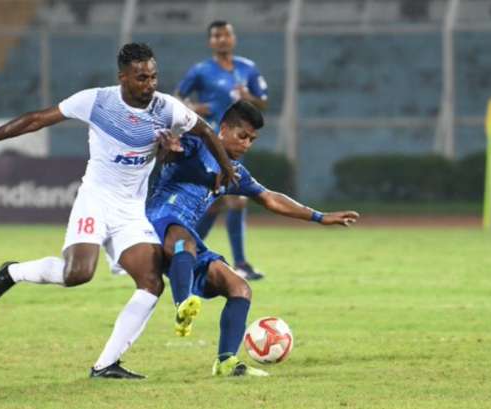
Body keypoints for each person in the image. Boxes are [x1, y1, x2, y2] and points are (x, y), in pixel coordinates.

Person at [0, 43, 235, 379]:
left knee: (152, 282)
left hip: (130, 210)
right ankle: (12, 272)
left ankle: (106, 365)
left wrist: (226, 168)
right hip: (95, 199)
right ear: (122, 77)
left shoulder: (167, 109)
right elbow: (37, 119)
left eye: (153, 76)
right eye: (141, 78)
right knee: (78, 274)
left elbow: (207, 131)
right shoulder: (97, 101)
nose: (149, 84)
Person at [147, 101, 359, 377]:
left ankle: (226, 362)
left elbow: (270, 197)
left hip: (186, 235)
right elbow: (172, 153)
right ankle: (182, 305)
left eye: (252, 139)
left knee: (239, 287)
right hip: (157, 219)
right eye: (242, 136)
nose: (247, 144)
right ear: (223, 129)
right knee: (184, 240)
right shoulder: (196, 144)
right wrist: (169, 150)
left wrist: (319, 217)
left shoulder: (234, 172)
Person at [175, 20, 269, 281]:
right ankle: (240, 264)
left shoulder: (247, 68)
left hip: (234, 143)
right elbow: (178, 99)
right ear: (210, 42)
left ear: (233, 38)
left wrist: (248, 97)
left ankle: (184, 254)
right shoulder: (200, 71)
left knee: (214, 204)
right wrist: (193, 108)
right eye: (216, 36)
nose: (222, 39)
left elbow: (264, 102)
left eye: (225, 34)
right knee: (235, 199)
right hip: (209, 142)